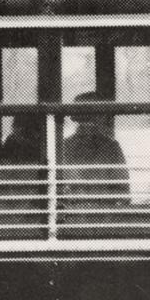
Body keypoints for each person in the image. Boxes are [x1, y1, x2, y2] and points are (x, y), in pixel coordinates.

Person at [60, 92, 131, 224]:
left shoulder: (111, 148)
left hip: (105, 220)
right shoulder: (64, 147)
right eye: (85, 120)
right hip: (72, 221)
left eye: (93, 119)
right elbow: (59, 191)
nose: (89, 125)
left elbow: (123, 192)